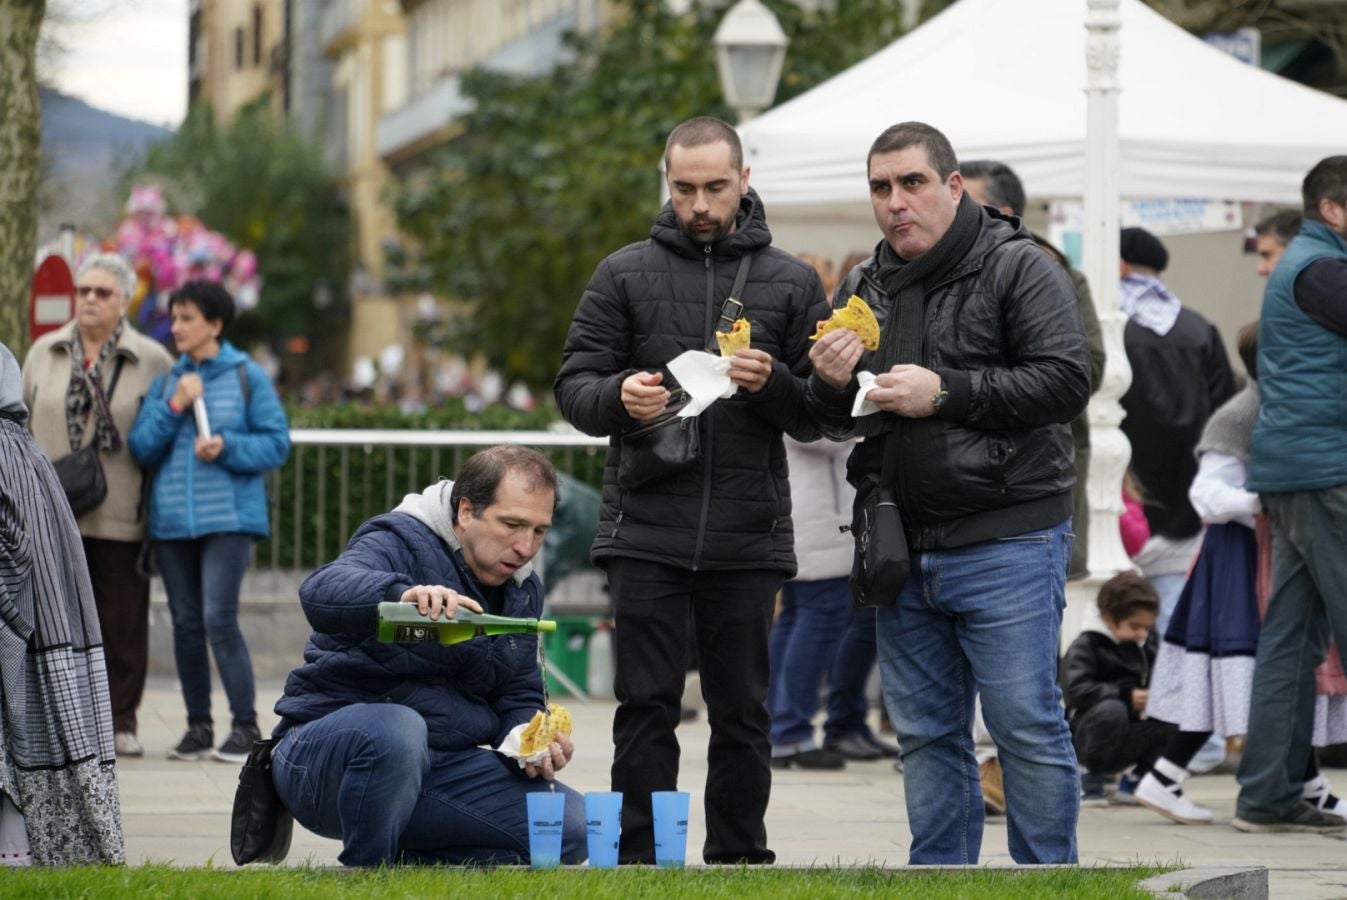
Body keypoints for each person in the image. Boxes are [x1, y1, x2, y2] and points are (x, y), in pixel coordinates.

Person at [804, 121, 1091, 865]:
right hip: (902, 540)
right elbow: (834, 416)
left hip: (1007, 534)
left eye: (912, 183)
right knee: (925, 730)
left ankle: (1049, 882)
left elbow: (1065, 380)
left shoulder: (1018, 266)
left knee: (1023, 722)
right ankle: (940, 879)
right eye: (880, 187)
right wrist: (829, 385)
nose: (895, 202)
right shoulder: (864, 282)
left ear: (952, 186)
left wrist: (946, 393)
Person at [554, 116, 829, 865]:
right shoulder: (622, 271)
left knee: (742, 712)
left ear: (744, 180)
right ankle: (641, 862)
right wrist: (619, 395)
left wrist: (774, 382)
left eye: (714, 187)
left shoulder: (792, 281)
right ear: (665, 181)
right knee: (643, 709)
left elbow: (818, 415)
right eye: (684, 188)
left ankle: (738, 860)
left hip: (748, 535)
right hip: (645, 527)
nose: (699, 203)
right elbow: (573, 388)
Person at [269, 446, 585, 866]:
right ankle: (366, 877)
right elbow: (321, 590)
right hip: (324, 760)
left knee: (571, 826)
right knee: (399, 729)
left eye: (539, 531)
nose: (526, 546)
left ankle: (418, 864)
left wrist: (528, 740)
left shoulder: (524, 590)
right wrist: (400, 594)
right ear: (467, 511)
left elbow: (518, 694)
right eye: (512, 525)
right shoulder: (397, 538)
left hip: (441, 770)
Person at [1140, 323, 1346, 826]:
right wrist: (1273, 501)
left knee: (1291, 670)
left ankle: (1308, 783)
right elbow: (1207, 496)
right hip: (1241, 559)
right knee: (1257, 671)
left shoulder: (1287, 407)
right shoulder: (1242, 414)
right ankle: (1165, 776)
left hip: (1278, 549)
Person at [959, 160, 1108, 813]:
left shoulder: (1047, 270)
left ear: (1008, 214)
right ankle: (986, 768)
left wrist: (983, 378)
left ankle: (1017, 773)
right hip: (950, 492)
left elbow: (1088, 368)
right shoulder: (933, 266)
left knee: (1026, 657)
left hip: (1030, 485)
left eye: (973, 205)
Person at [128, 280, 290, 762]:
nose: (175, 327)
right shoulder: (169, 381)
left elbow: (276, 443)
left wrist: (228, 447)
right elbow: (141, 447)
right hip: (173, 521)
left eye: (186, 318)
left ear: (215, 324)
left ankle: (245, 726)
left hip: (230, 520)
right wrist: (176, 403)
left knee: (219, 617)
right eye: (173, 317)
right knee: (185, 623)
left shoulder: (247, 376)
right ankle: (198, 726)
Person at [20, 252, 174, 758]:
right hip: (50, 509)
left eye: (101, 292)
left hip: (121, 509)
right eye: (83, 290)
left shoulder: (151, 358)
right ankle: (54, 722)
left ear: (124, 299)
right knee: (50, 617)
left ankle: (120, 720)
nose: (88, 299)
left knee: (121, 619)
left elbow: (164, 432)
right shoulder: (45, 350)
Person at [1235, 156, 1347, 834]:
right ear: (1333, 209)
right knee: (1292, 640)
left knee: (1288, 642)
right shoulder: (1320, 270)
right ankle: (1267, 796)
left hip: (1297, 470)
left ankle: (1267, 797)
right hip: (1325, 471)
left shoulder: (1309, 264)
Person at [0, 342, 125, 865]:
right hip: (39, 615)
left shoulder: (6, 452)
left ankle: (19, 847)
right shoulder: (20, 451)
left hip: (27, 625)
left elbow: (13, 551)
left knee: (19, 721)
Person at [1118, 226, 1237, 635]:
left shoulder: (1110, 328)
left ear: (1117, 265)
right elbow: (1225, 413)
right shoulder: (1198, 328)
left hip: (1126, 494)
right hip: (1190, 494)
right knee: (1178, 614)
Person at [767, 436, 896, 770]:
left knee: (796, 616)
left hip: (803, 510)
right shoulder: (801, 382)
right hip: (817, 516)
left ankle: (778, 726)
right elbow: (817, 433)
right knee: (819, 616)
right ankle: (789, 731)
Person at [1062, 572, 1173, 807]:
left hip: (1127, 734)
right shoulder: (1088, 644)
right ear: (1108, 618)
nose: (1142, 633)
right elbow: (1076, 690)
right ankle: (1088, 776)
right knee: (1112, 710)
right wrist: (1125, 696)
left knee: (1176, 715)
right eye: (1135, 626)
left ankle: (1136, 779)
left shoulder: (1146, 643)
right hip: (1086, 734)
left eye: (1146, 627)